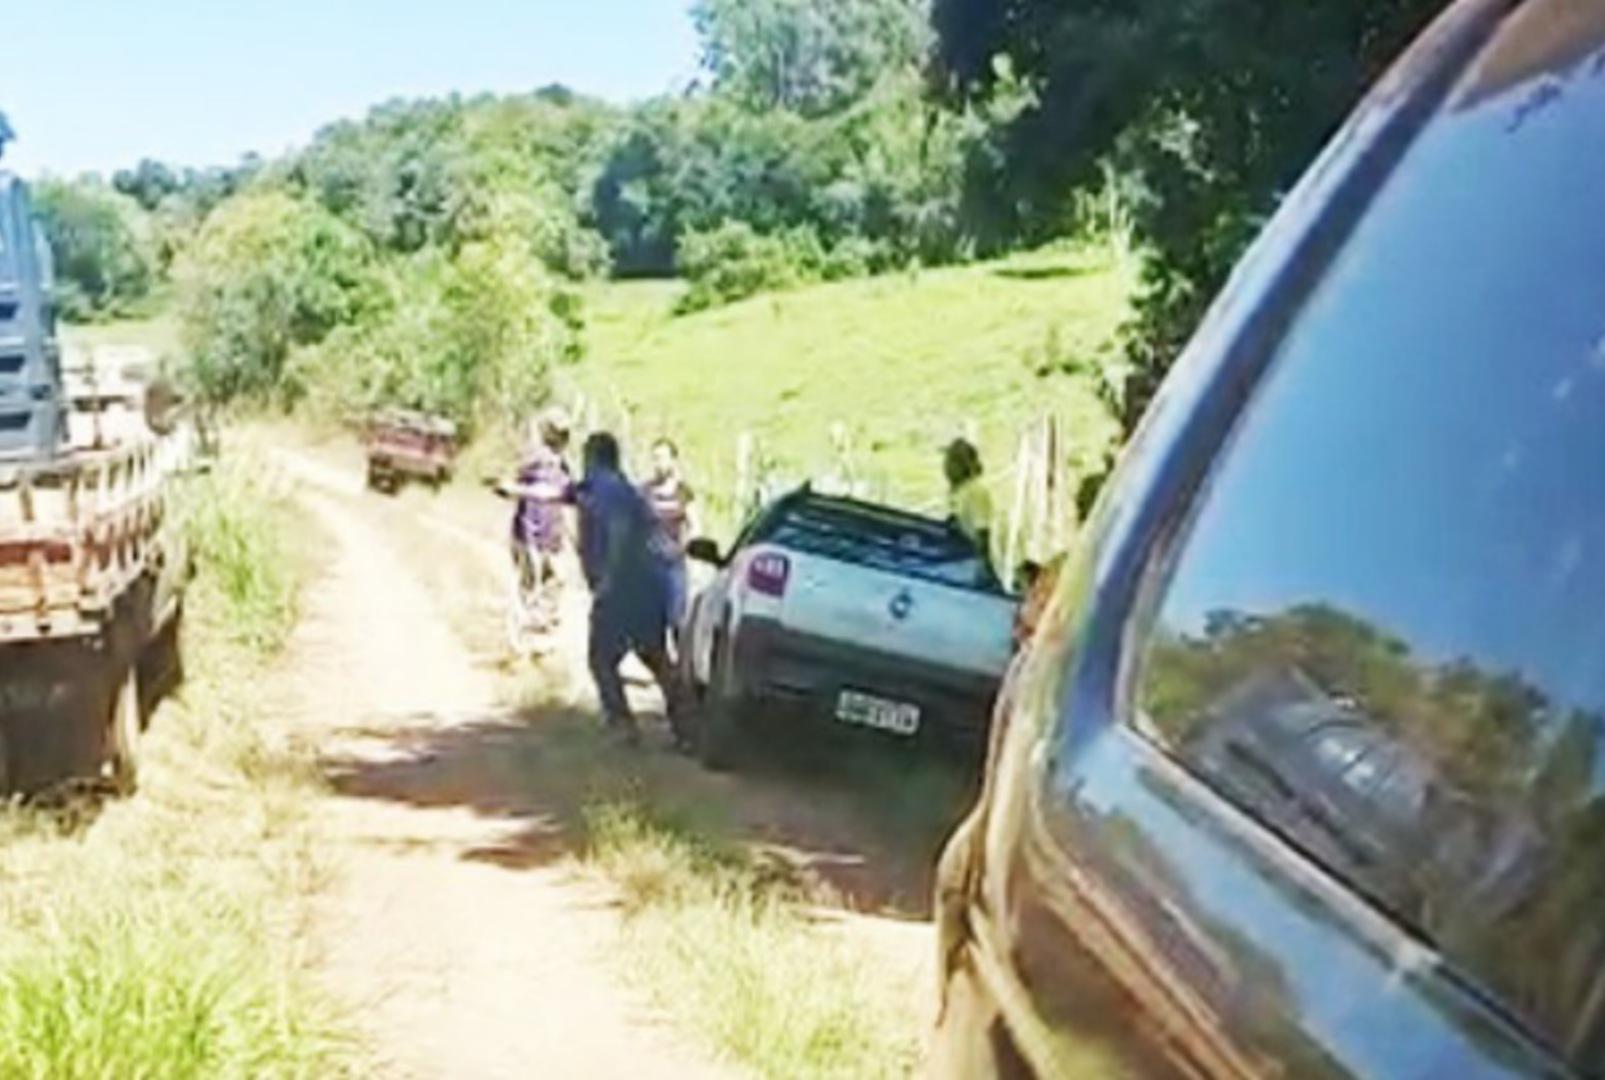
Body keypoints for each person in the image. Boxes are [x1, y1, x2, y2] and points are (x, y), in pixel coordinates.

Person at [503, 432, 683, 746]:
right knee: (654, 657)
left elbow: (619, 531)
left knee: (602, 658)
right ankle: (688, 727)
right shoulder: (611, 488)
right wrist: (517, 490)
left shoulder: (606, 489)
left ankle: (623, 726)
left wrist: (609, 579)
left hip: (622, 588)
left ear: (596, 458)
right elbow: (557, 493)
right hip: (647, 587)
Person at [506, 409, 572, 645]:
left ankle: (544, 627)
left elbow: (565, 499)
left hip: (553, 533)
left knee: (557, 580)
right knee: (529, 581)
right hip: (529, 531)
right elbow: (514, 485)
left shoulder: (564, 465)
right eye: (558, 432)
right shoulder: (534, 461)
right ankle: (522, 634)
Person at [641, 437, 700, 632]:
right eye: (655, 458)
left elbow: (695, 525)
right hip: (649, 564)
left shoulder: (684, 493)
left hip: (674, 564)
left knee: (677, 620)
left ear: (674, 460)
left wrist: (689, 549)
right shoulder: (645, 491)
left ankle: (681, 660)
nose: (659, 463)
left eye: (663, 458)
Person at [944, 438, 995, 567]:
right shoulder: (957, 492)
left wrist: (982, 565)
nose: (946, 466)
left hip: (972, 561)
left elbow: (983, 532)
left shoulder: (975, 491)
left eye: (950, 462)